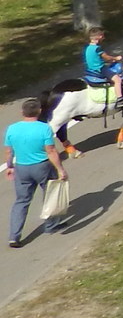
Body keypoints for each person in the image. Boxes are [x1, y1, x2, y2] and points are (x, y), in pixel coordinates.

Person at [5, 97, 67, 247]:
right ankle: (51, 225)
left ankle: (14, 236)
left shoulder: (12, 128)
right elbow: (51, 151)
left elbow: (9, 151)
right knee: (50, 194)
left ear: (22, 112)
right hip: (42, 166)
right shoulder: (43, 128)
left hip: (22, 168)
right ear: (39, 112)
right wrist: (60, 169)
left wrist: (9, 167)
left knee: (21, 201)